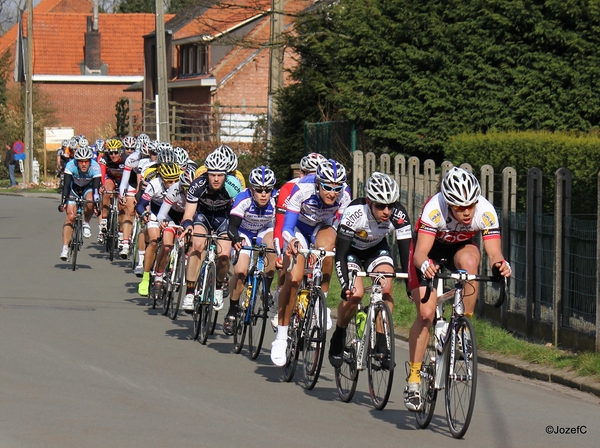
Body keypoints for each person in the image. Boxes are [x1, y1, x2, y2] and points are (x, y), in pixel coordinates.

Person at [403, 166, 512, 412]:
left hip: (461, 247)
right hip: (428, 251)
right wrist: (427, 266)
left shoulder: (484, 211)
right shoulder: (435, 207)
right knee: (426, 314)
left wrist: (501, 265)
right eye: (459, 207)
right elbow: (420, 253)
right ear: (448, 203)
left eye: (470, 205)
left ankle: (462, 329)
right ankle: (413, 379)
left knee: (472, 265)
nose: (466, 212)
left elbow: (494, 253)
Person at [270, 159, 351, 366]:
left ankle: (320, 299)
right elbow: (286, 227)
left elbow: (343, 228)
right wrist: (294, 242)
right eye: (327, 187)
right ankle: (281, 335)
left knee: (329, 248)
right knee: (295, 279)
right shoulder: (301, 189)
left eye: (337, 188)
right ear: (317, 184)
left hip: (322, 227)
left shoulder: (345, 195)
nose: (332, 193)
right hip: (298, 229)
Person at [329, 172, 413, 369]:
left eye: (390, 205)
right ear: (369, 202)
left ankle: (382, 341)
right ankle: (339, 334)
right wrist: (344, 285)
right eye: (380, 206)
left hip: (376, 249)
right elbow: (340, 255)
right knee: (355, 295)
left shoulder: (398, 215)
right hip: (351, 252)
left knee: (387, 286)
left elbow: (406, 255)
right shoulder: (355, 212)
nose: (386, 211)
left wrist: (411, 284)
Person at [180, 146, 242, 313]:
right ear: (207, 174)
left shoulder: (234, 186)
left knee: (224, 255)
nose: (215, 179)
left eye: (220, 175)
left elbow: (239, 212)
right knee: (198, 245)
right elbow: (189, 214)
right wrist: (188, 225)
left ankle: (218, 288)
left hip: (224, 219)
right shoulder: (198, 184)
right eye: (212, 174)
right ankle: (190, 292)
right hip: (203, 217)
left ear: (226, 175)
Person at [223, 166, 278, 336]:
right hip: (243, 232)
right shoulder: (243, 199)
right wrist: (236, 239)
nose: (263, 194)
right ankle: (232, 311)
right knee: (240, 272)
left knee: (273, 247)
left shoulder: (276, 200)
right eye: (259, 190)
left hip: (264, 230)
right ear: (252, 189)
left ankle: (266, 290)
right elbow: (232, 227)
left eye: (267, 190)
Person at [57, 145, 102, 260]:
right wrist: (63, 202)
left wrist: (96, 205)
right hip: (73, 189)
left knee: (91, 201)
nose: (83, 164)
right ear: (76, 161)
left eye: (86, 161)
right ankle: (65, 248)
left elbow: (96, 189)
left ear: (90, 161)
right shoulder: (70, 165)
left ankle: (86, 223)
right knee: (70, 217)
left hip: (88, 188)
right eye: (80, 161)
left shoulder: (95, 167)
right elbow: (66, 186)